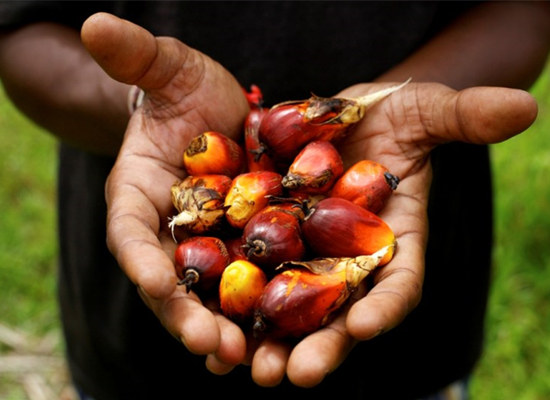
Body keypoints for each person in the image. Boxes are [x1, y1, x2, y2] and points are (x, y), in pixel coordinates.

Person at [1, 2, 549, 399]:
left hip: (418, 332)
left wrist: (419, 109)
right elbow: (18, 30)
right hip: (132, 345)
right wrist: (140, 101)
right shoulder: (242, 217)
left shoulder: (269, 211)